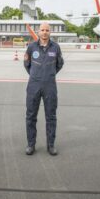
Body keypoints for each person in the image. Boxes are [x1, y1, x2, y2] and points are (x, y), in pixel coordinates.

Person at [24, 22, 64, 156]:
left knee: (51, 117)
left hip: (50, 85)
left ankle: (51, 145)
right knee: (31, 116)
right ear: (38, 31)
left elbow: (59, 64)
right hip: (33, 85)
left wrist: (49, 74)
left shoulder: (56, 47)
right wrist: (36, 75)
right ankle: (31, 145)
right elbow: (27, 64)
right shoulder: (31, 47)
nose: (45, 32)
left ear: (50, 32)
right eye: (42, 30)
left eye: (47, 30)